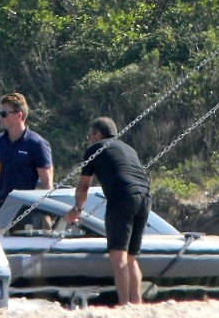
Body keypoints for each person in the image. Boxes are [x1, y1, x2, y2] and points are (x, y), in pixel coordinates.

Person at [65, 116, 151, 306]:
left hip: (122, 197)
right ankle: (136, 305)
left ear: (97, 134)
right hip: (145, 197)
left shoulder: (95, 149)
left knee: (118, 255)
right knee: (131, 258)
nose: (89, 140)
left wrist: (77, 209)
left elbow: (83, 186)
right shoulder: (129, 149)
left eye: (90, 135)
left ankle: (123, 305)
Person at [0, 92, 53, 218]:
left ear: (19, 115)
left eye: (3, 114)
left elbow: (47, 184)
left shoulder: (37, 144)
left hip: (25, 212)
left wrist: (47, 216)